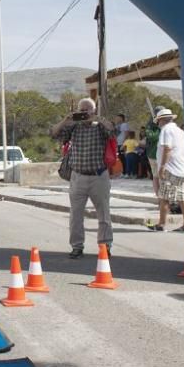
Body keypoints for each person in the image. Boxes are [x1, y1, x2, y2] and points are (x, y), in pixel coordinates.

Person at [51, 98, 114, 258]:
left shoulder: (100, 126)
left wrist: (97, 118)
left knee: (103, 213)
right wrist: (66, 120)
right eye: (82, 109)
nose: (85, 112)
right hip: (78, 176)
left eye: (88, 109)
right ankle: (77, 246)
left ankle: (105, 245)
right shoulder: (73, 127)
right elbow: (54, 134)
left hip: (99, 175)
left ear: (93, 110)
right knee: (76, 215)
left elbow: (113, 131)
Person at [147, 108, 184, 232]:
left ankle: (162, 224)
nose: (158, 123)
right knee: (182, 197)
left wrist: (162, 167)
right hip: (181, 169)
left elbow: (167, 149)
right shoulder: (180, 131)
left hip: (171, 169)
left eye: (158, 121)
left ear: (162, 120)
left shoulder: (166, 131)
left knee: (164, 197)